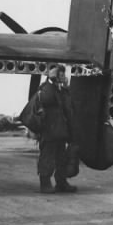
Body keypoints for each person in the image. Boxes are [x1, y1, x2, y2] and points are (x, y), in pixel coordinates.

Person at [37, 65, 77, 193]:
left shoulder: (60, 90)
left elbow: (67, 107)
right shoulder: (48, 89)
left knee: (61, 158)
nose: (64, 77)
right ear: (54, 76)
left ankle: (61, 182)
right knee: (48, 157)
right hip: (50, 130)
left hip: (60, 130)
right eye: (61, 75)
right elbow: (46, 102)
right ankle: (45, 183)